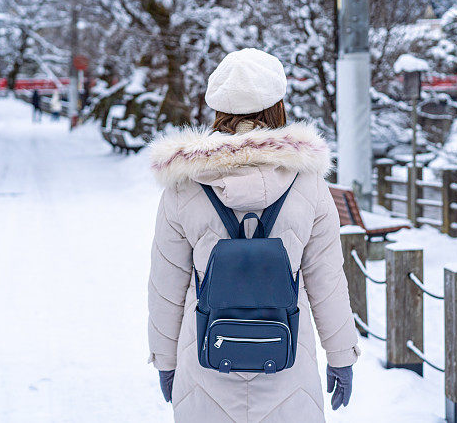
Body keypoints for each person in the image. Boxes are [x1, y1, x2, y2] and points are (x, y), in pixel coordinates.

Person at [148, 48, 359, 422]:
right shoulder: (307, 181)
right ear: (278, 103)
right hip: (288, 358)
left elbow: (167, 282)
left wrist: (165, 360)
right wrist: (341, 355)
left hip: (206, 356)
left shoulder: (183, 185)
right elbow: (327, 277)